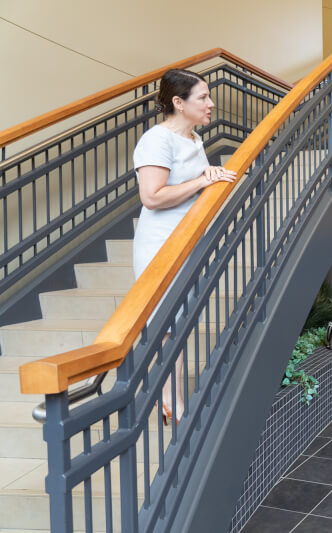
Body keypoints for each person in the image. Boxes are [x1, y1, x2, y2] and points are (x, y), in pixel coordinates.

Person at [133, 69, 237, 425]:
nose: (210, 104)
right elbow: (152, 196)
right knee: (164, 326)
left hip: (187, 240)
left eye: (209, 97)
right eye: (203, 97)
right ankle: (169, 401)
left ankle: (171, 398)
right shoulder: (157, 139)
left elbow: (198, 188)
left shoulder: (194, 140)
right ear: (178, 102)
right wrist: (200, 181)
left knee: (176, 326)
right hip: (161, 243)